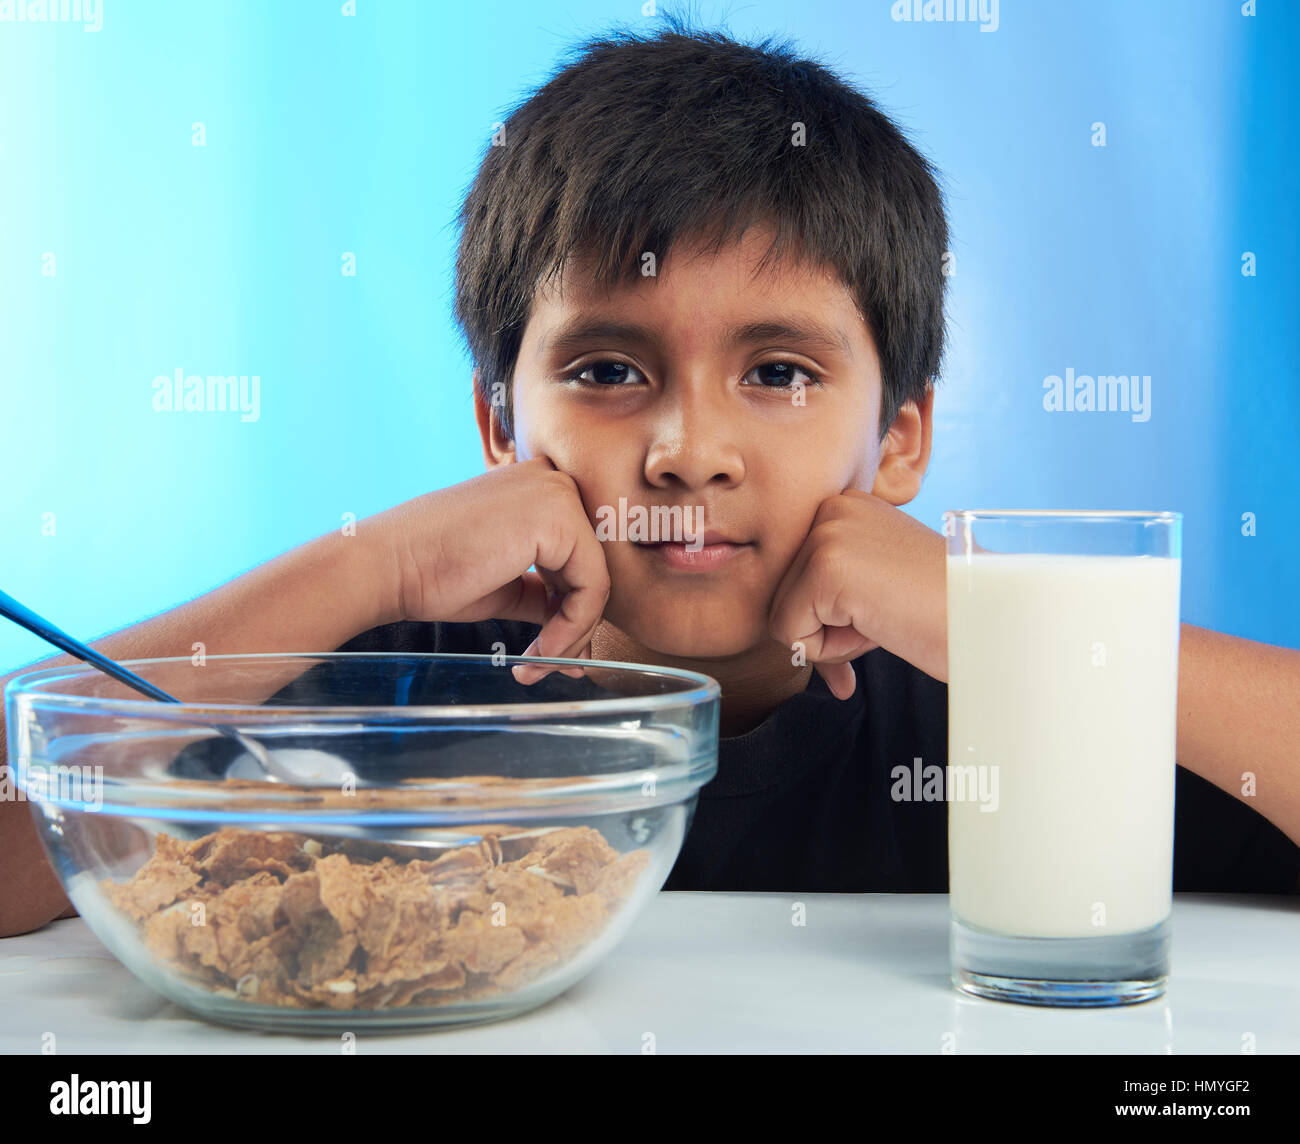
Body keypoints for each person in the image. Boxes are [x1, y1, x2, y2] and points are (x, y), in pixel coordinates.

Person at [3, 15, 1297, 938]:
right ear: (501, 428)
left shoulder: (1012, 709)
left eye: (779, 374)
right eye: (611, 372)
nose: (687, 450)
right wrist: (369, 565)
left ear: (900, 438)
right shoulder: (390, 675)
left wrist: (1012, 626)